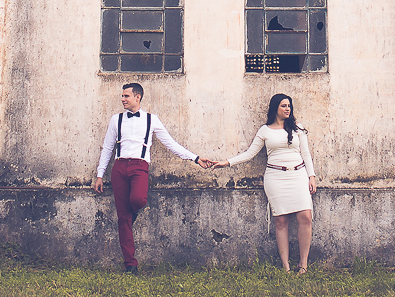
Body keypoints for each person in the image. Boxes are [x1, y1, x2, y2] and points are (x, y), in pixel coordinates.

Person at [94, 82, 210, 274]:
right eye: (122, 96)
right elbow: (107, 147)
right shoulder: (116, 119)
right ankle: (130, 264)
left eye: (126, 96)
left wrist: (196, 158)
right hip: (120, 167)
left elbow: (170, 143)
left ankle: (133, 214)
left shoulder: (151, 119)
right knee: (123, 218)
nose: (122, 99)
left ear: (137, 97)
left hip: (140, 167)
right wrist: (100, 174)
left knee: (138, 200)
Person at [212, 93, 317, 273]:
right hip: (275, 178)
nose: (287, 109)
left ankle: (303, 264)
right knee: (281, 221)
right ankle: (286, 266)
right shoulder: (265, 130)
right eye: (284, 106)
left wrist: (311, 176)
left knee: (305, 217)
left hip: (298, 175)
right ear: (275, 108)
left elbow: (305, 153)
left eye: (289, 106)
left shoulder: (298, 128)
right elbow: (250, 154)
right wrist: (226, 162)